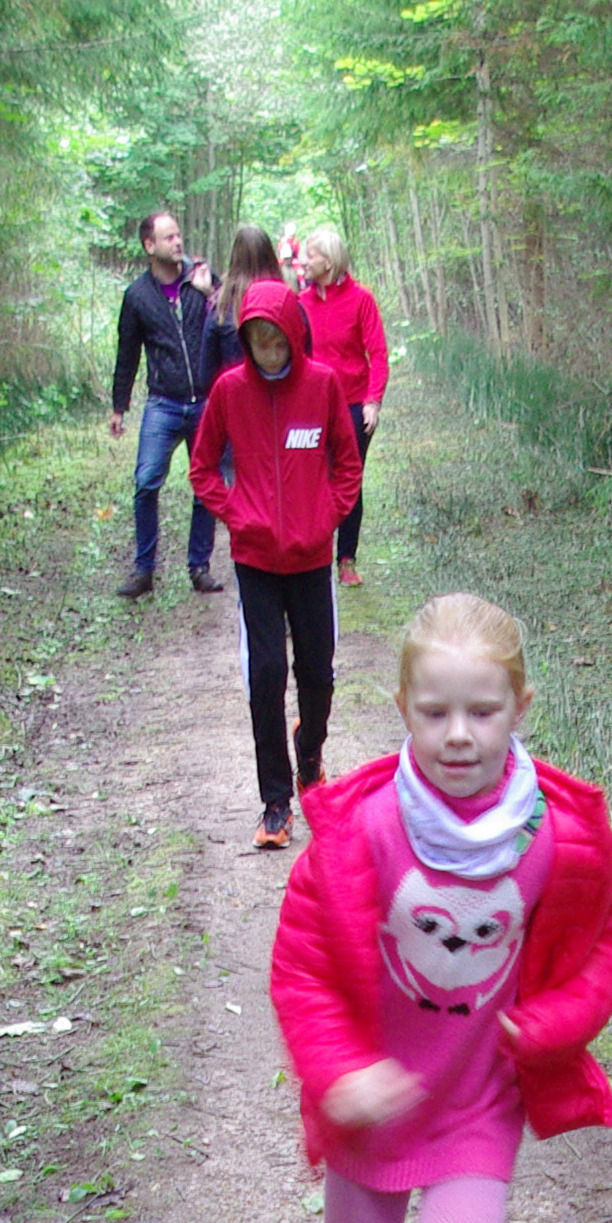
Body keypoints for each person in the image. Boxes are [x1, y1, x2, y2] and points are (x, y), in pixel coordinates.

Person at [266, 594, 612, 1223]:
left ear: (520, 707)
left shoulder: (556, 834)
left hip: (476, 1103)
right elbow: (302, 968)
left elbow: (602, 946)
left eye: (484, 711)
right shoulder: (364, 831)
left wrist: (552, 1022)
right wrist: (339, 1072)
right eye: (435, 712)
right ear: (401, 707)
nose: (459, 734)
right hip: (373, 1108)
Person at [191, 278, 364, 849]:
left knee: (317, 672)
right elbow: (202, 470)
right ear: (245, 339)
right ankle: (275, 802)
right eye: (257, 341)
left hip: (312, 557)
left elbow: (347, 463)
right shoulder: (228, 392)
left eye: (276, 340)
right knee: (266, 675)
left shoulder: (323, 385)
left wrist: (326, 518)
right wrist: (236, 513)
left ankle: (309, 754)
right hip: (256, 559)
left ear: (293, 336)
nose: (268, 351)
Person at [107, 209, 224, 596]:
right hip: (164, 402)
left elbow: (234, 322)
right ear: (149, 245)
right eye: (169, 237)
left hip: (206, 400)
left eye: (178, 235)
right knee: (145, 482)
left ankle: (199, 566)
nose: (178, 242)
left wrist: (210, 294)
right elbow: (128, 353)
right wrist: (119, 406)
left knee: (206, 485)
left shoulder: (201, 278)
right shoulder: (137, 296)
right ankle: (143, 570)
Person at [305, 227, 391, 587]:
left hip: (354, 405)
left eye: (310, 255)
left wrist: (373, 402)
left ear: (328, 260)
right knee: (314, 481)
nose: (303, 261)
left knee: (348, 482)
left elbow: (379, 354)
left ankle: (347, 559)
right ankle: (314, 556)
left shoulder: (361, 299)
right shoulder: (301, 302)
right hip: (312, 408)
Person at [207, 225, 313, 374]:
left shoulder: (221, 308)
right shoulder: (288, 302)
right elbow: (306, 355)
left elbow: (206, 372)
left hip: (236, 394)